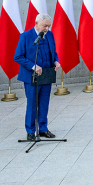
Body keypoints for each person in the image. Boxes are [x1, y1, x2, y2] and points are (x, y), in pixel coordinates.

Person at [14, 14, 61, 142]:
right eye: (44, 26)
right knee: (32, 103)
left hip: (47, 74)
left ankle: (43, 128)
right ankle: (30, 131)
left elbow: (54, 51)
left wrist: (56, 61)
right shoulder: (25, 36)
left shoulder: (50, 35)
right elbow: (18, 56)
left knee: (44, 102)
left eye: (48, 26)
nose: (46, 28)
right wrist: (33, 66)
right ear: (36, 23)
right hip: (32, 77)